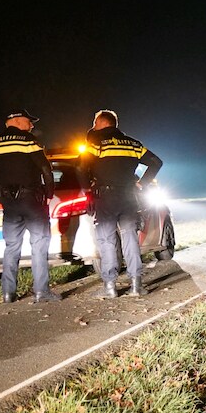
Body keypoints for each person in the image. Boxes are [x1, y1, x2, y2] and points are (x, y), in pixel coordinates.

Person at [0, 109, 61, 304]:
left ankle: (8, 293)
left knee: (11, 247)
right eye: (29, 121)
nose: (32, 125)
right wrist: (48, 194)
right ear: (18, 121)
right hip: (32, 202)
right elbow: (46, 169)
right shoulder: (28, 140)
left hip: (9, 204)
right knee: (39, 244)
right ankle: (41, 292)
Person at [80, 109, 163, 298]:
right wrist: (141, 184)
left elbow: (80, 167)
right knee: (130, 238)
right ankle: (136, 285)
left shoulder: (96, 144)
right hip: (128, 197)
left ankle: (110, 287)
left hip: (105, 198)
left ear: (103, 123)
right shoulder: (133, 144)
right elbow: (156, 162)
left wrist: (87, 190)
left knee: (107, 240)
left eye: (95, 123)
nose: (93, 126)